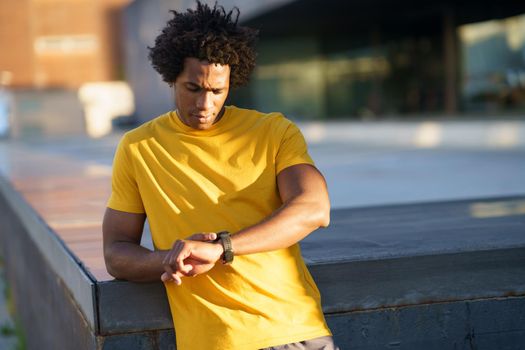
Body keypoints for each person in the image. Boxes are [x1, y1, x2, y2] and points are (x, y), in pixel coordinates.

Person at [102, 2, 338, 349]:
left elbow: (314, 208)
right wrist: (168, 259)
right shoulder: (139, 147)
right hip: (212, 341)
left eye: (217, 91)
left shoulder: (272, 131)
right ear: (172, 78)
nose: (205, 104)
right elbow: (115, 252)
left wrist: (222, 248)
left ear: (232, 82)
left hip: (294, 330)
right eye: (193, 89)